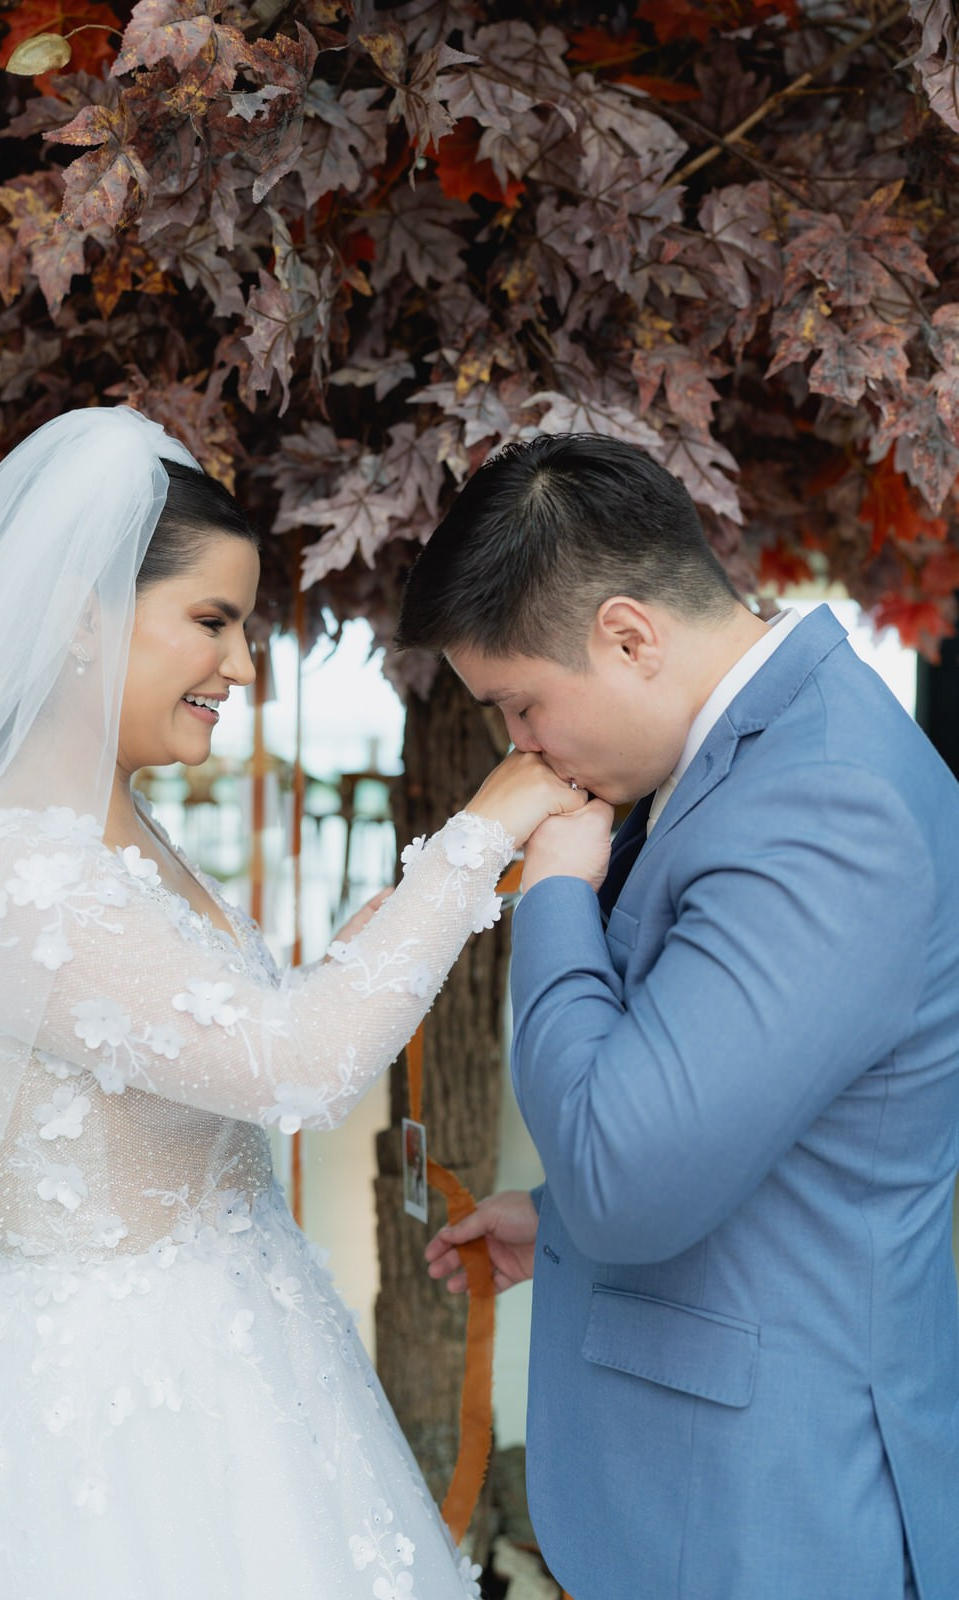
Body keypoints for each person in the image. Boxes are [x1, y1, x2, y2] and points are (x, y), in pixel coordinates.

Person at [0, 405, 588, 1600]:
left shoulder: (124, 833)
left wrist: (486, 863)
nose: (242, 666)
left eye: (246, 627)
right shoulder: (10, 870)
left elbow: (294, 1005)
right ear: (78, 617)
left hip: (248, 1356)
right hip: (115, 1415)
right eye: (210, 622)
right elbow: (296, 1065)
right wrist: (482, 827)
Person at [398, 432, 959, 1600]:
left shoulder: (823, 798)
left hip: (773, 1518)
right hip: (707, 1497)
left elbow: (625, 1170)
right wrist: (557, 1220)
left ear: (627, 636)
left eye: (520, 705)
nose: (521, 749)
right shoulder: (749, 765)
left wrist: (552, 888)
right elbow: (764, 1113)